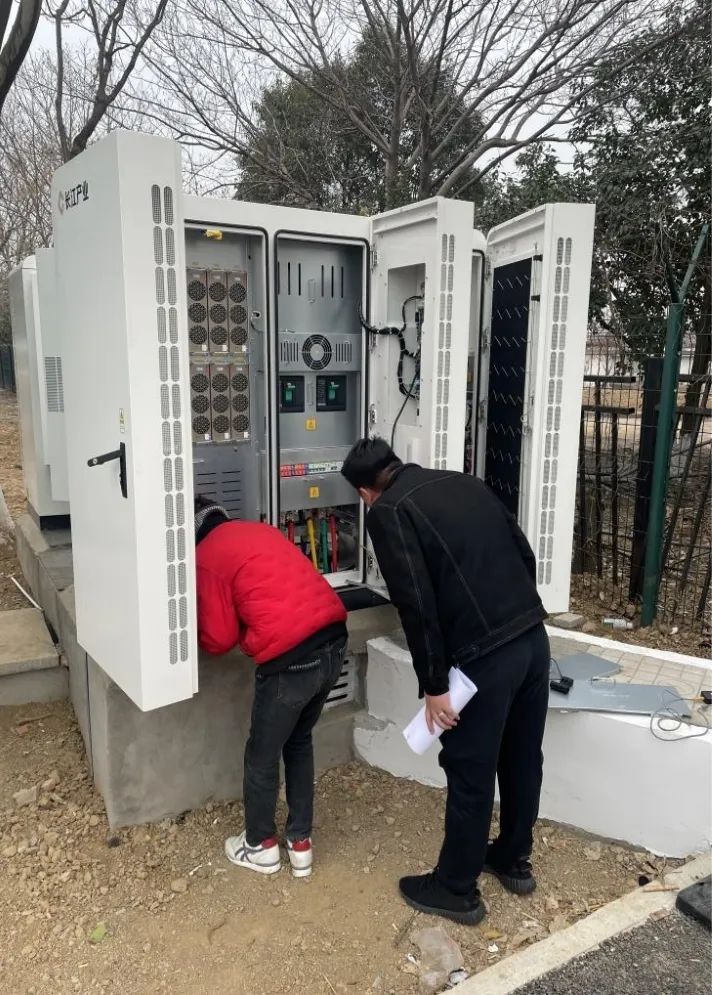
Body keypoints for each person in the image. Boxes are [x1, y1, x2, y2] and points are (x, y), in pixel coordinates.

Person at [341, 439, 550, 925]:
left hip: (485, 660)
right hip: (531, 640)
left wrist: (435, 686)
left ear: (364, 492)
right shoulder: (463, 482)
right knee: (522, 756)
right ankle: (513, 858)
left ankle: (456, 888)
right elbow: (524, 553)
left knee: (470, 769)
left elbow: (415, 604)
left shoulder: (389, 511)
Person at [194, 496, 348, 878]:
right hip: (334, 641)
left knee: (262, 755)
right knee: (299, 741)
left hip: (290, 660)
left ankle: (260, 846)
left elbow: (218, 638)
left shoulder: (205, 556)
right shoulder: (260, 531)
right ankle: (300, 843)